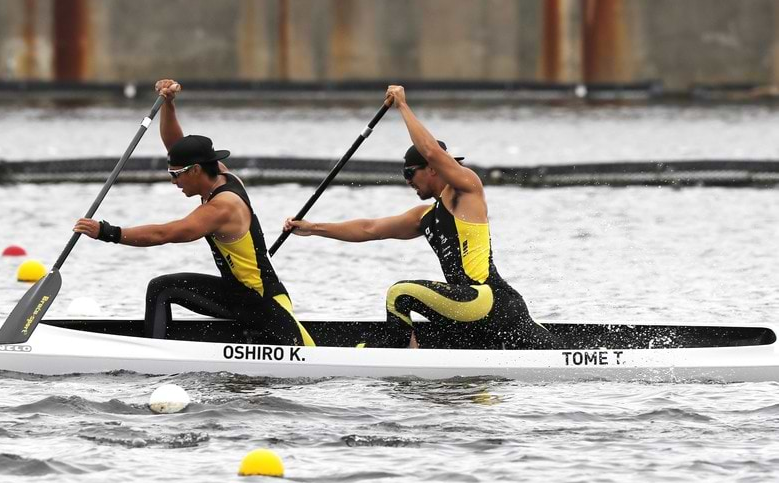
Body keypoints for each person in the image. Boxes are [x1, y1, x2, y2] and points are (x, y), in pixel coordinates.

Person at [282, 84, 550, 350]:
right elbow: (370, 229)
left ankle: (399, 356)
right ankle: (409, 350)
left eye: (409, 173)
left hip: (485, 299)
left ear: (432, 169)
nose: (407, 181)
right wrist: (312, 227)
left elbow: (432, 151)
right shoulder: (425, 216)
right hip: (481, 309)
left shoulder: (465, 190)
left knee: (399, 294)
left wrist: (402, 106)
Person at [74, 79, 314, 347]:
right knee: (161, 287)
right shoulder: (219, 174)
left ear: (196, 170)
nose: (173, 181)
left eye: (175, 175)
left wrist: (108, 232)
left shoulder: (222, 208)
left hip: (261, 304)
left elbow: (167, 233)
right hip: (241, 294)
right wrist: (168, 104)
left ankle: (153, 356)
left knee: (161, 289)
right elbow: (177, 146)